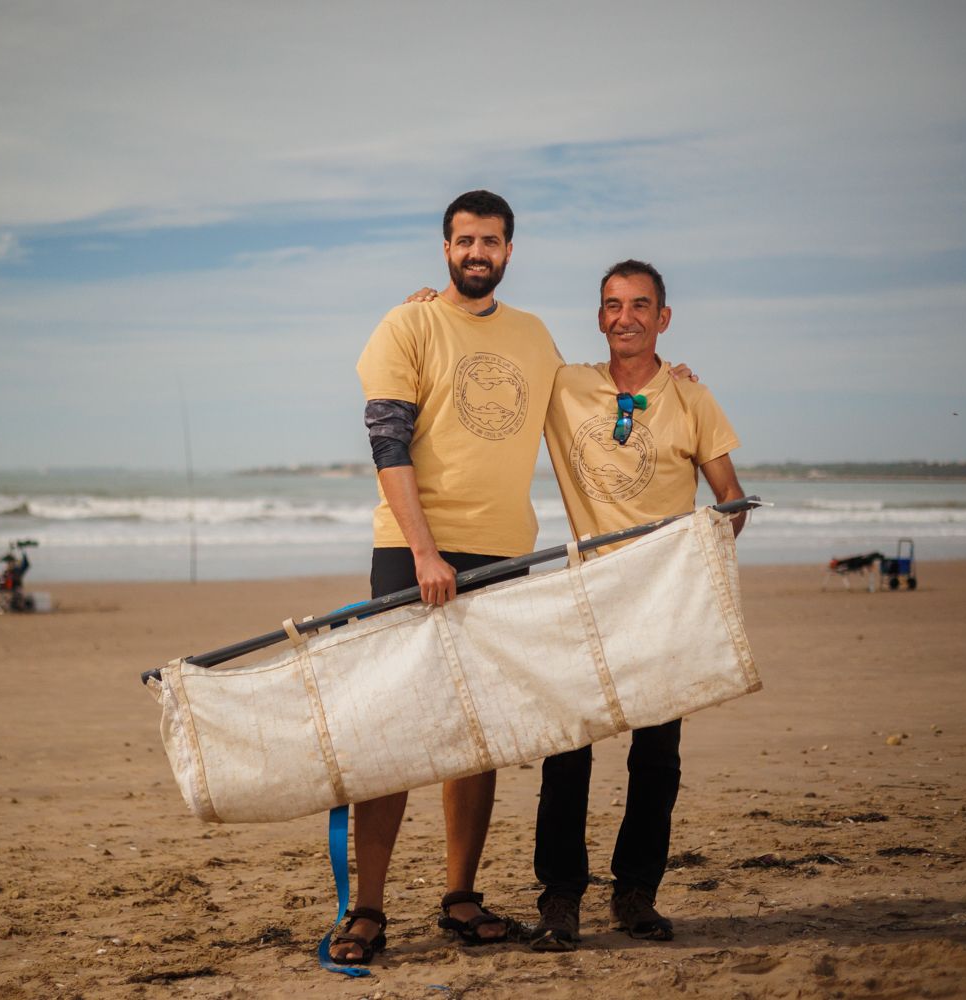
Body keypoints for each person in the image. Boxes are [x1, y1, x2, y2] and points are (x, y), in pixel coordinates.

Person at [331, 190, 564, 965]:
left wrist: (665, 377)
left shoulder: (535, 336)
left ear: (508, 250)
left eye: (491, 241)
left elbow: (592, 413)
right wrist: (425, 553)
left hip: (503, 551)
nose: (477, 252)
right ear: (444, 248)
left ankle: (460, 898)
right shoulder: (408, 324)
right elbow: (388, 443)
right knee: (390, 729)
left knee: (475, 732)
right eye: (465, 240)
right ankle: (367, 907)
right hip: (413, 551)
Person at [529, 259, 746, 952]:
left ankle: (635, 894)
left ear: (663, 318)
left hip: (662, 604)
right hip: (588, 597)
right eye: (613, 305)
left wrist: (685, 555)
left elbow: (731, 502)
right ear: (600, 317)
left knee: (657, 756)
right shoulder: (566, 386)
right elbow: (490, 359)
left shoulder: (691, 399)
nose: (625, 316)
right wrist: (430, 306)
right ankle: (561, 897)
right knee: (568, 753)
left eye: (640, 305)